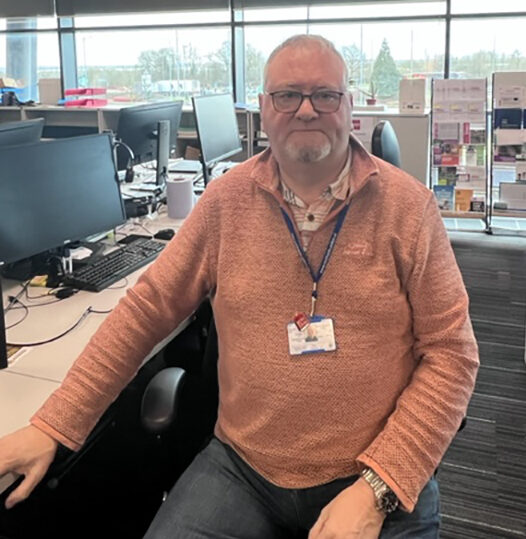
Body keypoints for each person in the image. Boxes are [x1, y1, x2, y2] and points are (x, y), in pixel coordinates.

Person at [0, 35, 479, 538]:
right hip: (244, 468)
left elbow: (453, 356)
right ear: (263, 109)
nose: (307, 110)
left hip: (373, 473)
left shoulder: (409, 208)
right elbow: (145, 311)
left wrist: (379, 486)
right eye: (287, 95)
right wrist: (53, 424)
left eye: (326, 95)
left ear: (350, 105)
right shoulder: (226, 202)